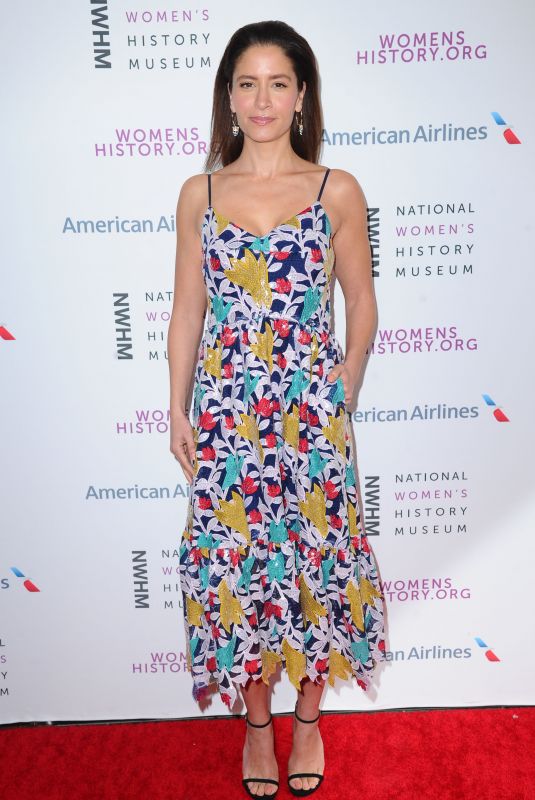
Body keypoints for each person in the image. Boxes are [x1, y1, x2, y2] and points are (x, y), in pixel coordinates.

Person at [168, 20, 386, 799]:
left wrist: (346, 384)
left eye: (278, 83)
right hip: (227, 417)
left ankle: (307, 717)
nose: (262, 99)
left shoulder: (337, 190)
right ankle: (257, 725)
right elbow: (186, 314)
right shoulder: (201, 192)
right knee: (233, 567)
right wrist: (175, 409)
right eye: (246, 83)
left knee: (319, 565)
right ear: (228, 98)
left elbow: (359, 301)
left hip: (309, 415)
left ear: (301, 97)